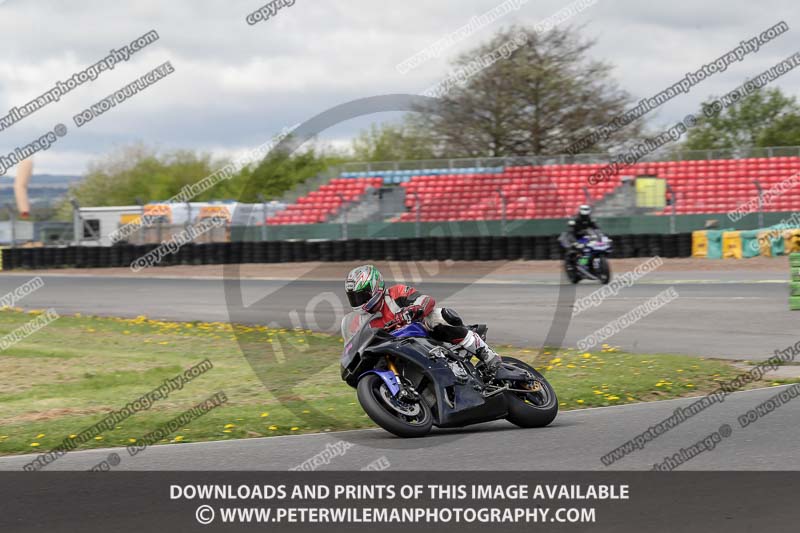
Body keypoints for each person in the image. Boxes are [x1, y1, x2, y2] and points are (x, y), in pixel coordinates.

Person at [344, 264, 502, 372]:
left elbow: (426, 300)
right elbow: (353, 345)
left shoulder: (395, 293)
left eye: (362, 296)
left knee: (436, 316)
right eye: (354, 297)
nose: (359, 301)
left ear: (375, 287)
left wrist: (413, 310)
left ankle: (485, 352)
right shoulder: (359, 321)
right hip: (395, 352)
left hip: (422, 337)